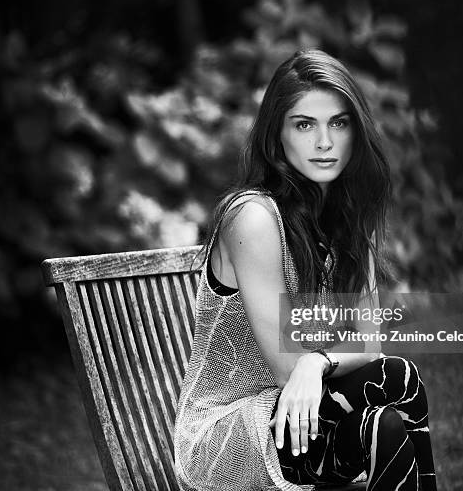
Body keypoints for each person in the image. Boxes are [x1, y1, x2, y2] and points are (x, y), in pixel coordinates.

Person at [174, 49, 437, 491]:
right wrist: (312, 363)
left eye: (338, 122)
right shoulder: (253, 219)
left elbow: (368, 340)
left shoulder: (347, 214)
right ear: (277, 136)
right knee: (391, 403)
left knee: (391, 405)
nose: (324, 142)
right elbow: (286, 369)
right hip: (233, 437)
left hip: (305, 413)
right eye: (303, 124)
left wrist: (318, 362)